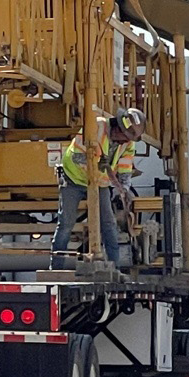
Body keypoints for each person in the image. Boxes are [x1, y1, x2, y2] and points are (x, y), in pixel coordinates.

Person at [53, 108, 143, 266]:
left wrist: (124, 189)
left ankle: (114, 267)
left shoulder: (127, 144)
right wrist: (96, 163)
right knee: (66, 223)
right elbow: (76, 156)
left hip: (100, 183)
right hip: (73, 179)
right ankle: (56, 268)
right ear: (117, 128)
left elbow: (125, 167)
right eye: (125, 136)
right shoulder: (95, 127)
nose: (126, 141)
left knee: (108, 224)